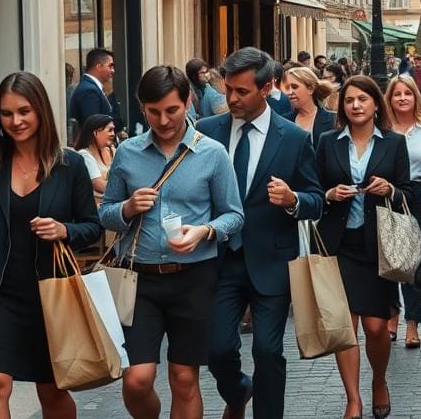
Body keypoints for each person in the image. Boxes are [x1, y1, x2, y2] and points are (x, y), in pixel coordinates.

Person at [99, 65, 244, 419]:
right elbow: (105, 214)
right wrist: (128, 208)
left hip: (194, 277)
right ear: (142, 107)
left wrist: (204, 231)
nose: (163, 120)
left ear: (188, 101)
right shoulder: (128, 153)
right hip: (139, 279)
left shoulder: (211, 152)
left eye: (172, 110)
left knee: (183, 378)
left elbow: (234, 215)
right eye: (153, 111)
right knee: (136, 379)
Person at [197, 50, 325, 419]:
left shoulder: (293, 138)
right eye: (228, 90)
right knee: (218, 349)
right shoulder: (208, 131)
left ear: (268, 87)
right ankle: (239, 391)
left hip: (271, 261)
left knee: (268, 352)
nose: (231, 99)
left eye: (241, 91)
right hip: (220, 260)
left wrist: (292, 199)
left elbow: (316, 200)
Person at [0, 71, 102, 419]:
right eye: (7, 113)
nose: (15, 121)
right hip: (1, 292)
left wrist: (64, 230)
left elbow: (93, 227)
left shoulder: (69, 165)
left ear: (40, 110)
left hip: (50, 292)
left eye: (24, 111)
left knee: (52, 391)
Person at [315, 75, 411, 419]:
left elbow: (408, 194)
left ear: (375, 105)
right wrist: (329, 194)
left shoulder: (393, 144)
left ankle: (380, 380)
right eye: (349, 100)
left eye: (362, 100)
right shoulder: (328, 142)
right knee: (345, 327)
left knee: (375, 327)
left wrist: (389, 191)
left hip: (377, 245)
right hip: (338, 245)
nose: (355, 105)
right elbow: (315, 190)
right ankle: (353, 400)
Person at [384, 75, 421, 349]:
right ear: (390, 98)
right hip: (388, 194)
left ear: (416, 97)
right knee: (388, 257)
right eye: (397, 94)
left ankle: (412, 323)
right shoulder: (382, 128)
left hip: (420, 195)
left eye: (408, 93)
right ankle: (392, 314)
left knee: (414, 259)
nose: (403, 98)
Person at [285, 66, 337, 142]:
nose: (289, 92)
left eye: (294, 87)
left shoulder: (333, 120)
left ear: (311, 89)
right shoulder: (284, 122)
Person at [69, 47, 115, 132]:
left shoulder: (93, 87)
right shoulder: (89, 91)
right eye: (110, 66)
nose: (113, 70)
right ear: (99, 66)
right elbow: (94, 127)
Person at [72, 113, 116, 195]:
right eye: (110, 130)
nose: (113, 134)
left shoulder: (112, 151)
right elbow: (98, 185)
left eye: (113, 130)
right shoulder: (84, 155)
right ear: (96, 133)